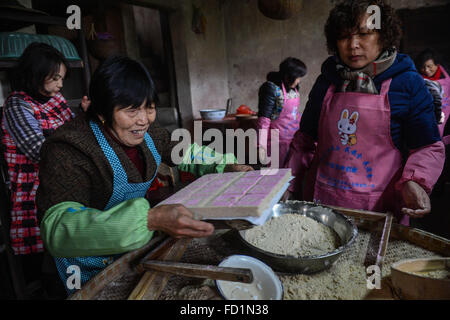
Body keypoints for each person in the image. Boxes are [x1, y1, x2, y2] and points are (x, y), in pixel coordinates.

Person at [36, 56, 252, 295]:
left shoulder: (149, 135)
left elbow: (185, 151)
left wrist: (225, 165)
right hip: (87, 263)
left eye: (149, 107)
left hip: (134, 249)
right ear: (102, 112)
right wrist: (147, 221)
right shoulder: (69, 148)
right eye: (132, 110)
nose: (144, 119)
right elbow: (58, 229)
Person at [284, 0, 445, 226]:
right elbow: (305, 141)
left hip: (380, 211)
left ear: (383, 36)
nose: (353, 45)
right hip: (322, 208)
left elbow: (427, 146)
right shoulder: (327, 81)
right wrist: (287, 184)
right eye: (343, 37)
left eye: (364, 34)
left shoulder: (407, 83)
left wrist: (417, 181)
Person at [0, 42, 89, 286]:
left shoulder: (56, 99)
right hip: (35, 188)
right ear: (36, 75)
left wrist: (84, 116)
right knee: (45, 255)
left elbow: (74, 131)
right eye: (55, 78)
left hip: (64, 178)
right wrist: (75, 146)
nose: (60, 85)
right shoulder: (17, 105)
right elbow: (40, 152)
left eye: (62, 78)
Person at [256, 57, 307, 167]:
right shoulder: (271, 89)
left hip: (293, 140)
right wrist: (261, 145)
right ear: (289, 75)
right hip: (276, 143)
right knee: (275, 177)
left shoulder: (294, 89)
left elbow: (295, 114)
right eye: (298, 77)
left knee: (290, 176)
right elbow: (264, 119)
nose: (299, 80)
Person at [415, 49, 448, 129]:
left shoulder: (446, 72)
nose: (426, 70)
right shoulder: (417, 78)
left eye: (429, 66)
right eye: (423, 67)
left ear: (437, 65)